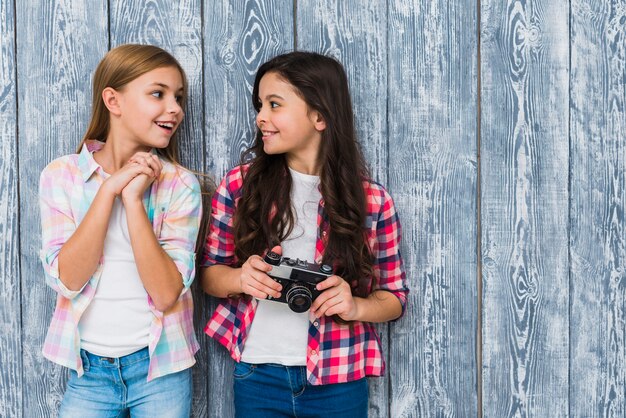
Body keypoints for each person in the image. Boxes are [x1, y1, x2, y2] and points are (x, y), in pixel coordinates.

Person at [201, 51, 408, 417]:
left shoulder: (372, 201)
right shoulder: (239, 186)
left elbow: (394, 298)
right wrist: (241, 278)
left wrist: (354, 304)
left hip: (339, 378)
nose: (261, 117)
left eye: (274, 104)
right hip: (257, 373)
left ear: (319, 116)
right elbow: (209, 276)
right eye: (260, 105)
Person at [39, 44, 201, 417]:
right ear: (113, 100)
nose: (174, 108)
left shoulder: (179, 185)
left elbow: (165, 294)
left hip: (160, 370)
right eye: (158, 94)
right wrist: (109, 189)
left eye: (178, 97)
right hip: (90, 372)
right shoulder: (62, 176)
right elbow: (69, 279)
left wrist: (132, 200)